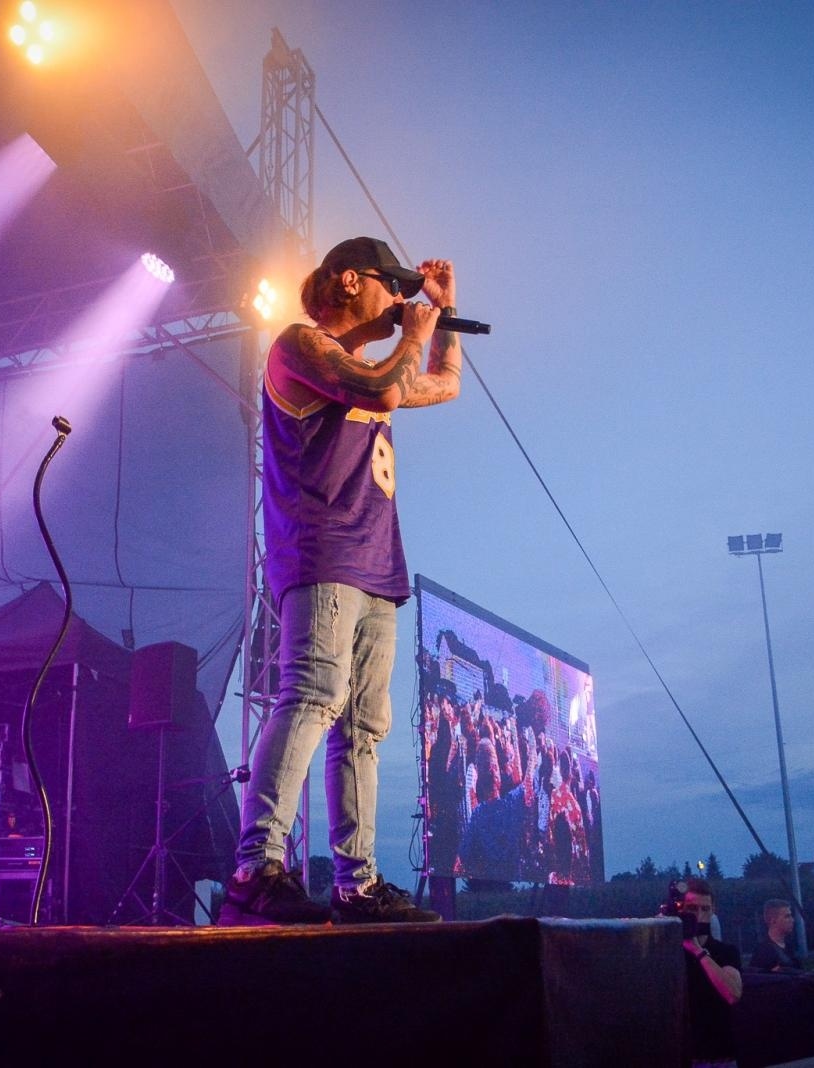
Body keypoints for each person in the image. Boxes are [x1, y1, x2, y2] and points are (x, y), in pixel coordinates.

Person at [220, 237, 462, 926]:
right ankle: (254, 867)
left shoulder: (376, 360)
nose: (402, 303)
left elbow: (444, 385)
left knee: (363, 726)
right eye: (395, 288)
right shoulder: (300, 347)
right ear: (353, 282)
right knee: (311, 697)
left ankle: (358, 884)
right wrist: (414, 335)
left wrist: (443, 315)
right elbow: (386, 385)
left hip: (378, 561)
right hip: (323, 552)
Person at [679, 877, 742, 1068]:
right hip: (682, 1057)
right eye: (692, 909)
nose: (699, 916)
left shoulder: (726, 952)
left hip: (720, 1058)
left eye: (705, 909)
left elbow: (733, 993)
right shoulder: (669, 954)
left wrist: (699, 952)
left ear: (713, 910)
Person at [750, 898, 805, 973]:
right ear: (773, 920)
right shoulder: (763, 952)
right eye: (787, 916)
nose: (792, 920)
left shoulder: (789, 948)